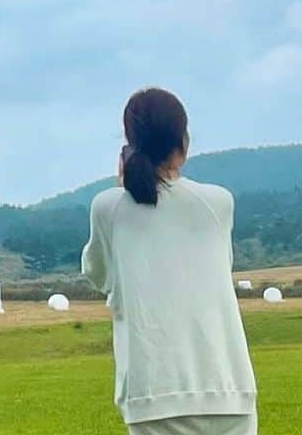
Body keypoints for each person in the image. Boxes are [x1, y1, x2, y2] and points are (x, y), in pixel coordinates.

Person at [82, 88, 257, 434]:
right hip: (229, 388)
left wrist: (125, 184)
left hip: (152, 396)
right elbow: (220, 266)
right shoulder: (218, 203)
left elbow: (99, 275)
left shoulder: (108, 207)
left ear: (130, 144)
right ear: (184, 142)